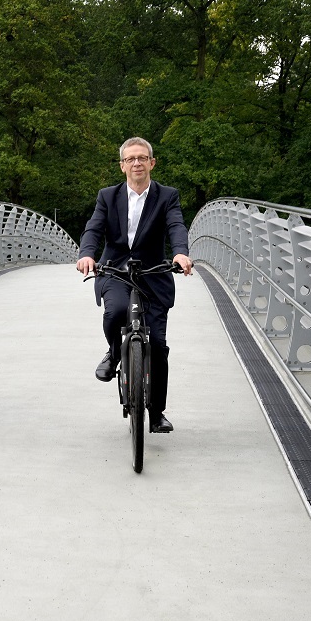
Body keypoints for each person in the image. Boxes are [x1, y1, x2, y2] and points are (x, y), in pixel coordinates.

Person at [76, 137, 194, 433]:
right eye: (131, 159)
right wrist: (87, 254)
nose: (137, 163)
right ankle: (114, 352)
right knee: (115, 313)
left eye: (142, 158)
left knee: (157, 345)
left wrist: (180, 252)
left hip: (153, 273)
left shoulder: (167, 196)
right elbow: (94, 227)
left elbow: (176, 225)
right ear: (122, 166)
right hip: (115, 269)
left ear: (152, 163)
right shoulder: (108, 195)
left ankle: (156, 413)